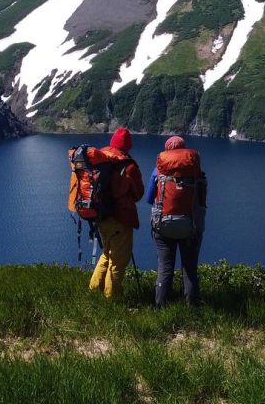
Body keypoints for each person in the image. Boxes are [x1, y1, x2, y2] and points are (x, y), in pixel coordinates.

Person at [147, 135, 207, 306]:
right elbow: (202, 200)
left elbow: (149, 198)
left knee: (165, 268)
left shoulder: (158, 171)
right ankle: (192, 306)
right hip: (191, 226)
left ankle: (160, 306)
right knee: (189, 269)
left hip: (163, 226)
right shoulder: (196, 171)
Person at [86, 127, 144, 299]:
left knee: (107, 253)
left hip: (101, 216)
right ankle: (112, 299)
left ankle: (94, 290)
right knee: (118, 261)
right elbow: (138, 194)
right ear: (128, 145)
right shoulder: (128, 166)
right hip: (121, 219)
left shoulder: (99, 159)